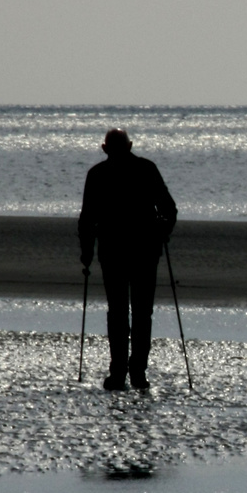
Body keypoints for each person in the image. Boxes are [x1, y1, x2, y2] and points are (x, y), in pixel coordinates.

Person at [77, 128, 177, 390]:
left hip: (115, 251)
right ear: (130, 145)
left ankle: (120, 372)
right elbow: (169, 209)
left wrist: (86, 251)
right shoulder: (145, 169)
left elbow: (87, 218)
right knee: (142, 313)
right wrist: (163, 231)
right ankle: (136, 373)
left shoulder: (98, 174)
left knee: (120, 313)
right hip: (143, 250)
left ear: (104, 148)